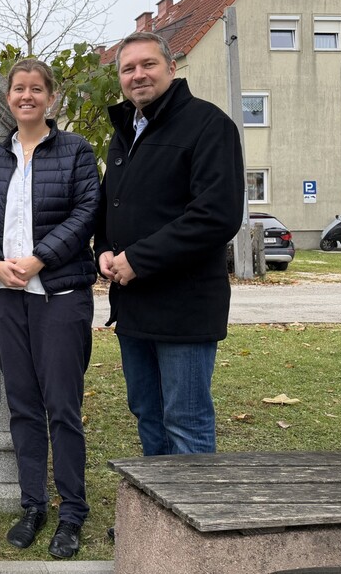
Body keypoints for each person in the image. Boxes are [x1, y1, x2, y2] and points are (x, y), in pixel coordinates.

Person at [0, 58, 100, 559]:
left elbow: (87, 211)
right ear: (9, 98)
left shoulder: (75, 151)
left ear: (50, 97)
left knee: (62, 407)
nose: (27, 96)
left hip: (59, 295)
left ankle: (72, 513)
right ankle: (33, 504)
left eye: (36, 89)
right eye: (18, 89)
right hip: (6, 296)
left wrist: (40, 258)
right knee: (22, 406)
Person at [95, 31, 244, 459]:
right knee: (147, 414)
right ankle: (154, 521)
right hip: (135, 307)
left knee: (186, 421)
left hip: (185, 309)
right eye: (128, 68)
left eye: (148, 64)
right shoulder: (125, 133)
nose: (138, 75)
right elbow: (111, 207)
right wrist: (102, 249)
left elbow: (216, 216)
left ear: (172, 68)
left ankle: (191, 525)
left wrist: (137, 259)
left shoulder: (209, 125)